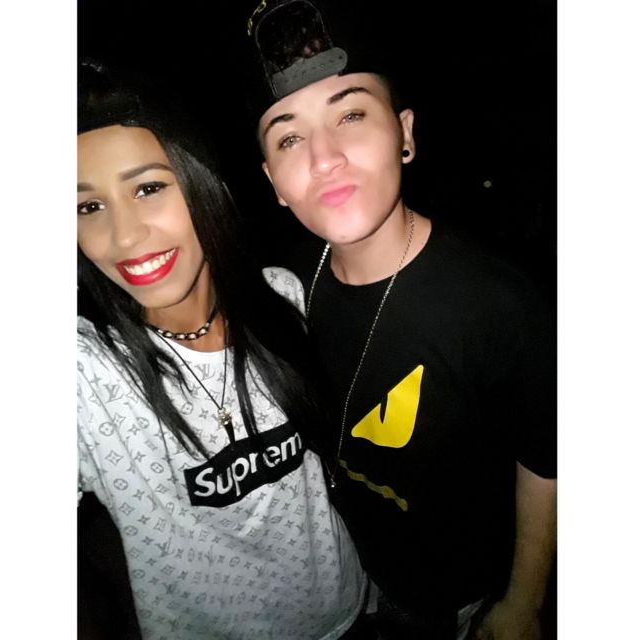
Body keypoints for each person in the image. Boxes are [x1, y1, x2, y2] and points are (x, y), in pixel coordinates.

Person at [240, 1, 557, 638]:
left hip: (462, 600)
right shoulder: (282, 289)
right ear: (273, 180)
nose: (324, 157)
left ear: (405, 134)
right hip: (349, 586)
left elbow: (548, 457)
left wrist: (523, 602)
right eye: (290, 137)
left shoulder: (496, 304)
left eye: (351, 114)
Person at [76, 59, 367, 640]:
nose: (124, 235)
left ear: (204, 183)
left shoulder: (284, 298)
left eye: (149, 188)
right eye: (87, 207)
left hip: (349, 613)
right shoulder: (85, 374)